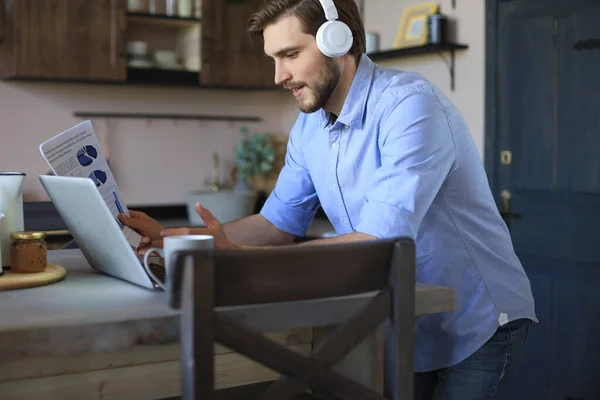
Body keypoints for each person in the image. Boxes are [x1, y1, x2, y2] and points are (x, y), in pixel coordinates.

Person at [119, 0, 537, 398]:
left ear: (338, 40)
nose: (278, 76)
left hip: (478, 323)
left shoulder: (410, 106)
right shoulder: (310, 128)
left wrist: (237, 257)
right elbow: (276, 225)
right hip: (407, 317)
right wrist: (182, 240)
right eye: (273, 59)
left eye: (290, 54)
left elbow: (380, 244)